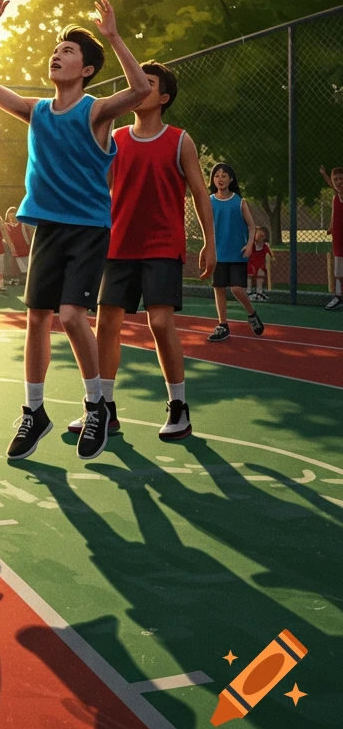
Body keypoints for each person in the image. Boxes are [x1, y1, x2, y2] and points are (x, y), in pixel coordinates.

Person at [0, 0, 150, 462]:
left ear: (86, 69)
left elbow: (140, 90)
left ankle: (97, 406)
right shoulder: (37, 112)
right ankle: (34, 412)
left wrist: (113, 37)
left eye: (67, 51)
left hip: (88, 229)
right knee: (36, 319)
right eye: (55, 50)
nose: (57, 54)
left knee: (71, 316)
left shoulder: (96, 112)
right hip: (48, 228)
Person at [64, 62, 216, 444]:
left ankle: (178, 407)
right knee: (106, 324)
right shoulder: (116, 138)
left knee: (160, 323)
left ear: (163, 97)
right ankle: (103, 408)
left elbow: (200, 193)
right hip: (118, 244)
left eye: (146, 83)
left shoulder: (179, 140)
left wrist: (209, 243)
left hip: (163, 244)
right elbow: (99, 187)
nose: (138, 87)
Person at [207, 163, 264, 341]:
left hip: (237, 254)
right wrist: (207, 247)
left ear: (231, 179)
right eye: (217, 175)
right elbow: (206, 227)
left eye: (224, 175)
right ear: (213, 180)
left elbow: (252, 226)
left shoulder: (240, 202)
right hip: (218, 253)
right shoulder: (209, 201)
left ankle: (252, 314)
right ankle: (222, 325)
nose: (220, 179)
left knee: (237, 289)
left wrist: (249, 245)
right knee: (219, 288)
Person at [319, 165, 343, 310]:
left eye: (341, 179)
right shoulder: (335, 197)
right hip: (338, 239)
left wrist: (325, 175)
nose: (338, 182)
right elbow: (335, 215)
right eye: (336, 179)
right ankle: (339, 296)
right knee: (339, 271)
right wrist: (331, 226)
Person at [3, 206, 31, 284]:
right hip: (15, 250)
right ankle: (21, 278)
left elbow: (30, 233)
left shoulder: (23, 224)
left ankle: (27, 278)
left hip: (25, 247)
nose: (12, 218)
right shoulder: (5, 226)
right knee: (19, 264)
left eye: (14, 215)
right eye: (10, 216)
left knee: (28, 263)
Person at [247, 226, 273, 302]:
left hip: (260, 264)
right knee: (249, 273)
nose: (260, 238)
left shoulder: (265, 246)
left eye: (262, 236)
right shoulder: (252, 245)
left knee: (261, 272)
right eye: (258, 236)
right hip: (250, 263)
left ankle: (259, 292)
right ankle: (248, 291)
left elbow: (271, 256)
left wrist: (270, 257)